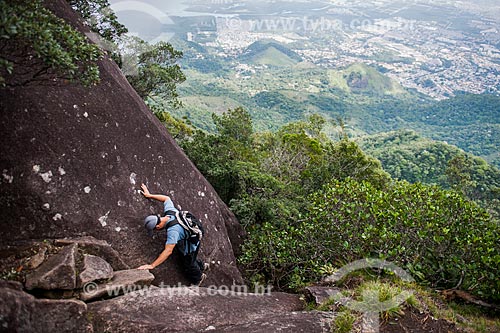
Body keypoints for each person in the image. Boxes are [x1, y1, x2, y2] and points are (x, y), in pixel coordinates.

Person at [137, 183, 206, 286]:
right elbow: (166, 199)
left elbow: (168, 251)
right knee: (190, 255)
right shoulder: (170, 212)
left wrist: (152, 265)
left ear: (157, 226)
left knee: (188, 262)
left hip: (192, 241)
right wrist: (149, 195)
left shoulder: (173, 231)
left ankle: (199, 277)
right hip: (189, 234)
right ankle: (203, 265)